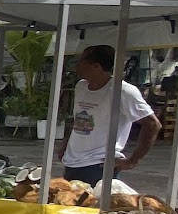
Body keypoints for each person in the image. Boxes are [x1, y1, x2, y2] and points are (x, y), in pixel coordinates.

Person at [59, 44, 161, 185]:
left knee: (97, 205)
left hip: (99, 165)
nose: (77, 65)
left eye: (81, 61)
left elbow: (152, 124)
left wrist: (132, 161)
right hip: (72, 162)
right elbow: (77, 120)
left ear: (96, 66)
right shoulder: (81, 87)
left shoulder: (123, 91)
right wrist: (65, 146)